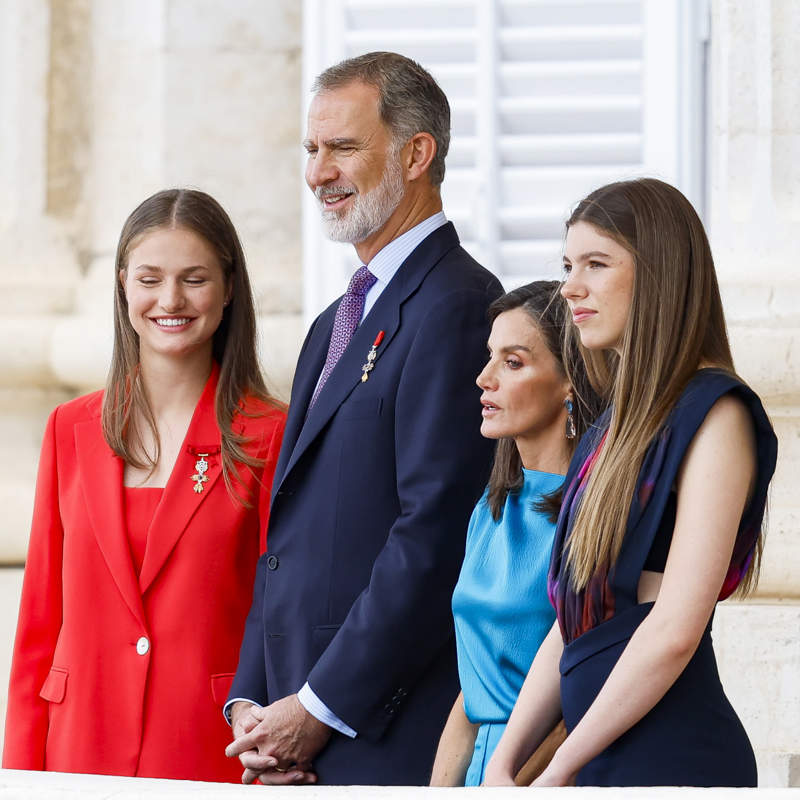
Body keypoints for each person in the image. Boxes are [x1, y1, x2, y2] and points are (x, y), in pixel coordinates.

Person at [224, 51, 504, 786]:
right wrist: (252, 704)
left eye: (343, 147)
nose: (318, 172)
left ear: (417, 154)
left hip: (385, 732)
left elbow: (436, 531)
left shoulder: (460, 306)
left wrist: (319, 708)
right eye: (312, 150)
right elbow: (288, 535)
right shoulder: (333, 321)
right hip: (292, 731)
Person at [483, 178, 778, 787]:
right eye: (568, 265)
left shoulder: (716, 414)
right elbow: (571, 620)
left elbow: (673, 629)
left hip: (670, 761)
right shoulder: (607, 433)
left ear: (660, 275)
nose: (570, 287)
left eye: (597, 263)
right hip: (597, 761)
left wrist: (558, 768)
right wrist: (503, 765)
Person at [2, 188, 286, 782]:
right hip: (75, 751)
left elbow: (281, 612)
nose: (171, 300)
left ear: (229, 288)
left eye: (195, 279)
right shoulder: (69, 428)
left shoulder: (269, 434)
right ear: (123, 285)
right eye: (150, 278)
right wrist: (19, 776)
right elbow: (38, 626)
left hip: (209, 750)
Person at [430, 281, 603, 786]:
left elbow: (585, 700)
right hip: (480, 774)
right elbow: (473, 688)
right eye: (490, 358)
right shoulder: (490, 508)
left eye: (513, 362)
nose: (484, 378)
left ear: (570, 380)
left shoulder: (594, 511)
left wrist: (508, 785)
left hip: (550, 773)